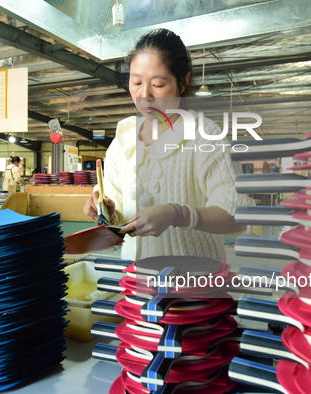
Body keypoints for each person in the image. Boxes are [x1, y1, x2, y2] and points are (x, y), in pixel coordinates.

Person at [83, 28, 253, 261]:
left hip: (194, 282)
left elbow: (236, 214)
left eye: (158, 85)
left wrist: (179, 214)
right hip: (136, 281)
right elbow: (117, 204)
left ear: (183, 81)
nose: (145, 96)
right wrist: (106, 209)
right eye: (136, 83)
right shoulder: (124, 139)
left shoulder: (204, 136)